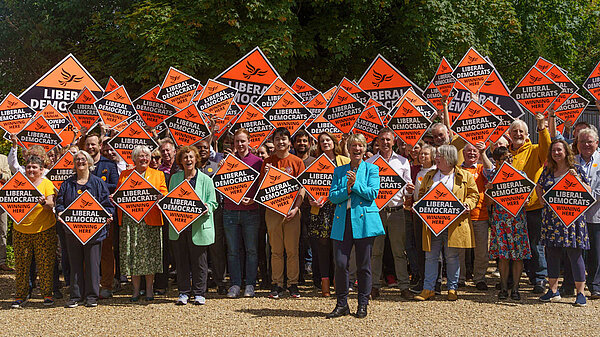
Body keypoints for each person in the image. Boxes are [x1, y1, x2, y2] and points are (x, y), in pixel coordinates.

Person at [326, 133, 383, 319]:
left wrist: (355, 184)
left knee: (363, 265)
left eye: (360, 146)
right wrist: (347, 189)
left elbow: (372, 193)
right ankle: (342, 304)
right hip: (343, 222)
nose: (357, 149)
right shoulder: (339, 171)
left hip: (364, 222)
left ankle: (362, 304)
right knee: (341, 263)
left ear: (365, 149)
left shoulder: (372, 169)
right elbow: (333, 196)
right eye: (353, 146)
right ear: (348, 149)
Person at [414, 145, 479, 301]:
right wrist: (421, 204)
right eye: (437, 156)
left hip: (454, 224)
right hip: (432, 224)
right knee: (430, 256)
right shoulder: (430, 176)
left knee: (451, 257)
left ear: (449, 159)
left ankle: (452, 288)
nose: (436, 159)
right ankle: (428, 288)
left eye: (439, 156)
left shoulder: (464, 176)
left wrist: (467, 205)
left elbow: (473, 195)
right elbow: (421, 195)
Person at [56, 150, 115, 308]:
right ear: (74, 164)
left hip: (94, 232)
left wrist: (109, 215)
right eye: (77, 160)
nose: (80, 162)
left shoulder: (98, 183)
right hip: (72, 231)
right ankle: (76, 296)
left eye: (83, 159)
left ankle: (91, 296)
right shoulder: (67, 184)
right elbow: (60, 203)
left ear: (89, 162)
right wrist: (60, 212)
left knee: (93, 264)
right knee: (75, 264)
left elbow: (107, 204)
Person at [536, 139, 590, 306]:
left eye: (559, 150)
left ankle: (580, 294)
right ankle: (553, 291)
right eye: (553, 151)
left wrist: (578, 180)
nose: (556, 153)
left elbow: (588, 192)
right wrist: (540, 199)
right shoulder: (548, 170)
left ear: (566, 152)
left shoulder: (576, 169)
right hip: (552, 220)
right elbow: (539, 186)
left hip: (573, 220)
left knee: (575, 255)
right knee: (552, 254)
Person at [366, 128, 414, 300]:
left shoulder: (402, 162)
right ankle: (374, 286)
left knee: (399, 251)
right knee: (376, 251)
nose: (385, 143)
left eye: (388, 140)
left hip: (396, 211)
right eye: (382, 139)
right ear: (377, 141)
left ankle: (403, 287)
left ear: (394, 141)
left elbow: (408, 190)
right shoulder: (370, 163)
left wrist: (409, 191)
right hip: (376, 212)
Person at [115, 145, 168, 302]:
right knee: (133, 256)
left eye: (146, 156)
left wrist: (160, 197)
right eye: (140, 156)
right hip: (131, 222)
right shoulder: (125, 175)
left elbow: (164, 194)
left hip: (150, 221)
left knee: (150, 257)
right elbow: (120, 196)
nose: (144, 159)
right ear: (134, 159)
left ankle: (150, 289)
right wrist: (115, 198)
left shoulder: (158, 175)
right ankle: (136, 290)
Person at [260, 127, 306, 299]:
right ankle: (277, 283)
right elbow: (262, 190)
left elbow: (302, 188)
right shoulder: (268, 162)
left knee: (292, 250)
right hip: (273, 212)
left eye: (284, 139)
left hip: (292, 211)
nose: (281, 142)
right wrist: (266, 175)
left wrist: (296, 208)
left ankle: (293, 283)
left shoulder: (296, 162)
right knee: (276, 250)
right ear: (274, 141)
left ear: (289, 142)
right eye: (277, 138)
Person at [169, 146, 218, 305]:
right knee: (181, 261)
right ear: (180, 161)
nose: (188, 160)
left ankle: (199, 293)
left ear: (196, 159)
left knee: (199, 262)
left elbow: (214, 203)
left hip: (198, 227)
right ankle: (184, 292)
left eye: (191, 157)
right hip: (179, 227)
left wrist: (207, 207)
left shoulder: (206, 180)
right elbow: (171, 201)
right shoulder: (175, 178)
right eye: (185, 157)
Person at [508, 114, 551, 294]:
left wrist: (542, 128)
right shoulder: (505, 154)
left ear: (527, 134)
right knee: (512, 244)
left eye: (521, 131)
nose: (518, 134)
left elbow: (547, 149)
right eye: (514, 131)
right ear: (509, 134)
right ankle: (510, 278)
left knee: (535, 244)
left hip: (533, 207)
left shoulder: (535, 150)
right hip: (511, 208)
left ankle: (539, 278)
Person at [485, 146, 531, 300]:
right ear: (497, 162)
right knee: (503, 256)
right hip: (500, 221)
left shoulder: (522, 175)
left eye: (510, 157)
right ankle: (504, 287)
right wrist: (490, 190)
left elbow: (527, 201)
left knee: (518, 257)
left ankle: (516, 288)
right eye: (505, 158)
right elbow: (488, 202)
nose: (509, 160)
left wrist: (525, 199)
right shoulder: (493, 177)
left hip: (518, 221)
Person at [11, 156, 57, 308]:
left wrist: (44, 201)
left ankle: (47, 294)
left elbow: (51, 203)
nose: (31, 170)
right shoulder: (18, 183)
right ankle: (20, 295)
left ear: (41, 170)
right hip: (20, 230)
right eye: (28, 167)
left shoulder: (46, 183)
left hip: (43, 230)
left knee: (45, 263)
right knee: (22, 264)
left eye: (34, 167)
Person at [222, 129, 263, 298]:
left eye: (243, 141)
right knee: (232, 250)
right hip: (230, 211)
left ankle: (250, 284)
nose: (240, 144)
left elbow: (264, 188)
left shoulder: (258, 162)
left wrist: (254, 199)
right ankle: (235, 284)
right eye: (237, 142)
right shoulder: (227, 162)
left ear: (249, 142)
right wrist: (221, 169)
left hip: (251, 212)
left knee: (251, 250)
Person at [308, 132, 350, 297]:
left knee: (340, 245)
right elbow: (309, 183)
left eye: (328, 140)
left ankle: (338, 281)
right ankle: (325, 282)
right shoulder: (314, 162)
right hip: (321, 210)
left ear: (334, 142)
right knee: (323, 247)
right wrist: (311, 199)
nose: (325, 143)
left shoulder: (344, 161)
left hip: (339, 207)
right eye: (322, 141)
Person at [83, 132, 120, 300]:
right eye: (88, 144)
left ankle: (106, 285)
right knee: (86, 251)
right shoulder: (81, 163)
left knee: (106, 250)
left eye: (93, 144)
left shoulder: (109, 164)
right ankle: (89, 285)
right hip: (85, 214)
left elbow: (116, 185)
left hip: (104, 213)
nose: (90, 147)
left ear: (100, 146)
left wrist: (96, 184)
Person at [196, 139, 227, 295]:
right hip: (195, 216)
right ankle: (202, 281)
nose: (202, 150)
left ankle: (220, 281)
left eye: (205, 148)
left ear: (210, 151)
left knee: (217, 249)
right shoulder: (190, 169)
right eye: (199, 148)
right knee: (200, 250)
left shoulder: (216, 167)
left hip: (214, 213)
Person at [460, 142, 491, 290]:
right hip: (460, 216)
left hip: (480, 215)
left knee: (481, 251)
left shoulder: (481, 168)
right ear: (463, 153)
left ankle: (479, 278)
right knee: (460, 250)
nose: (471, 153)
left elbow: (492, 171)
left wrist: (483, 153)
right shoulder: (457, 169)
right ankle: (460, 278)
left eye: (474, 151)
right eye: (468, 151)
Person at [407, 144, 437, 294]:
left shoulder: (438, 172)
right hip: (417, 214)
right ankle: (422, 279)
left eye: (426, 154)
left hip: (433, 214)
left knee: (434, 248)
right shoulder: (415, 171)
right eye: (421, 154)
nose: (423, 156)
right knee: (419, 247)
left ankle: (435, 282)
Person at [576, 128, 600, 299]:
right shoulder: (572, 162)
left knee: (596, 253)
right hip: (574, 216)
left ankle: (595, 285)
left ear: (596, 143)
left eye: (589, 141)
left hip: (595, 214)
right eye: (582, 141)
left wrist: (588, 194)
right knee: (575, 252)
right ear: (577, 144)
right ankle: (575, 285)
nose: (586, 144)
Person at [293, 129, 315, 286]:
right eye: (299, 141)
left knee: (312, 241)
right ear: (294, 144)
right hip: (292, 208)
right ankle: (298, 275)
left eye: (304, 141)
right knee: (296, 243)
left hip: (313, 208)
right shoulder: (290, 160)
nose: (301, 143)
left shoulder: (315, 162)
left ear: (310, 143)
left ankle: (317, 277)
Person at [0, 153, 12, 271]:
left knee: (2, 230)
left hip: (2, 200)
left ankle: (2, 261)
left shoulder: (3, 158)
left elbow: (9, 177)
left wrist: (1, 174)